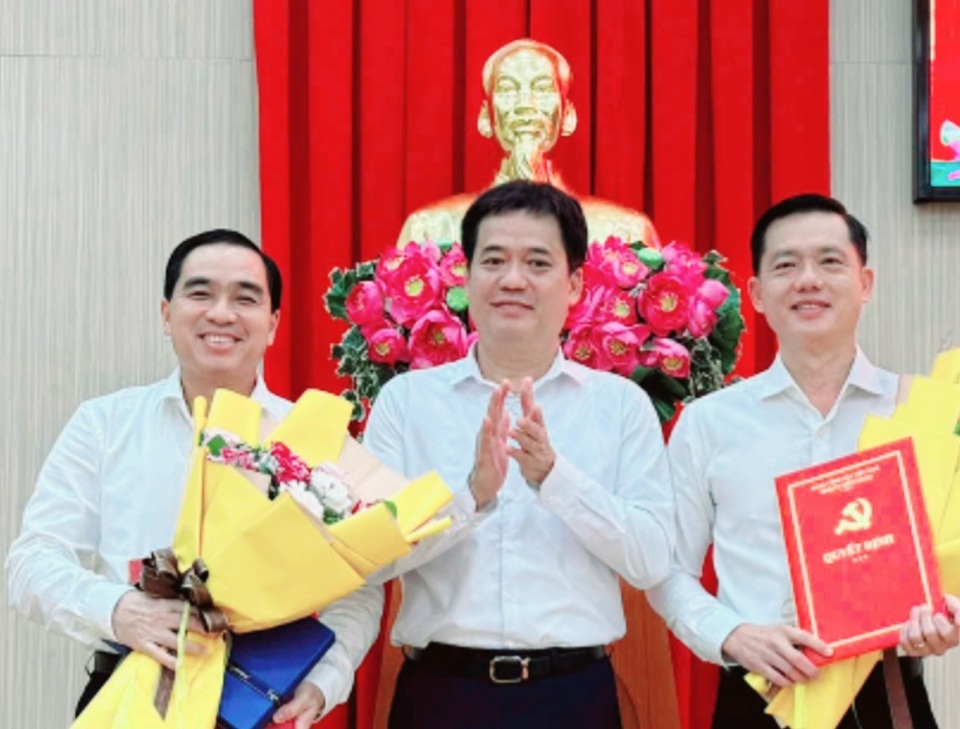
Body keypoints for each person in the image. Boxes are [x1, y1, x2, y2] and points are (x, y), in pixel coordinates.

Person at [6, 229, 382, 729]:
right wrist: (118, 609)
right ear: (167, 314)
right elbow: (31, 562)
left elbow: (360, 586)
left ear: (272, 325)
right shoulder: (104, 425)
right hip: (129, 690)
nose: (221, 313)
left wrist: (326, 678)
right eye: (200, 293)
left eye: (244, 299)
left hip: (259, 703)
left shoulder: (314, 441)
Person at [365, 180, 674, 729]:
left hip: (572, 696)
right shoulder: (405, 403)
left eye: (537, 262)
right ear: (464, 277)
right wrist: (471, 499)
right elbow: (370, 559)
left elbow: (650, 560)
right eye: (494, 260)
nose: (513, 280)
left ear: (575, 283)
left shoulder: (621, 405)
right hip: (441, 695)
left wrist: (556, 480)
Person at [646, 194, 960, 728]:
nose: (808, 279)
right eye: (786, 265)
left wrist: (949, 617)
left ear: (865, 284)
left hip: (888, 695)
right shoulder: (709, 424)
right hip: (761, 697)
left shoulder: (926, 412)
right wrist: (731, 635)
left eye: (830, 261)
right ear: (758, 294)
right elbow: (667, 571)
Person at [397, 38, 659, 249]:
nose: (525, 106)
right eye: (508, 89)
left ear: (567, 117)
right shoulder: (430, 229)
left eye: (542, 89)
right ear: (486, 118)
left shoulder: (623, 232)